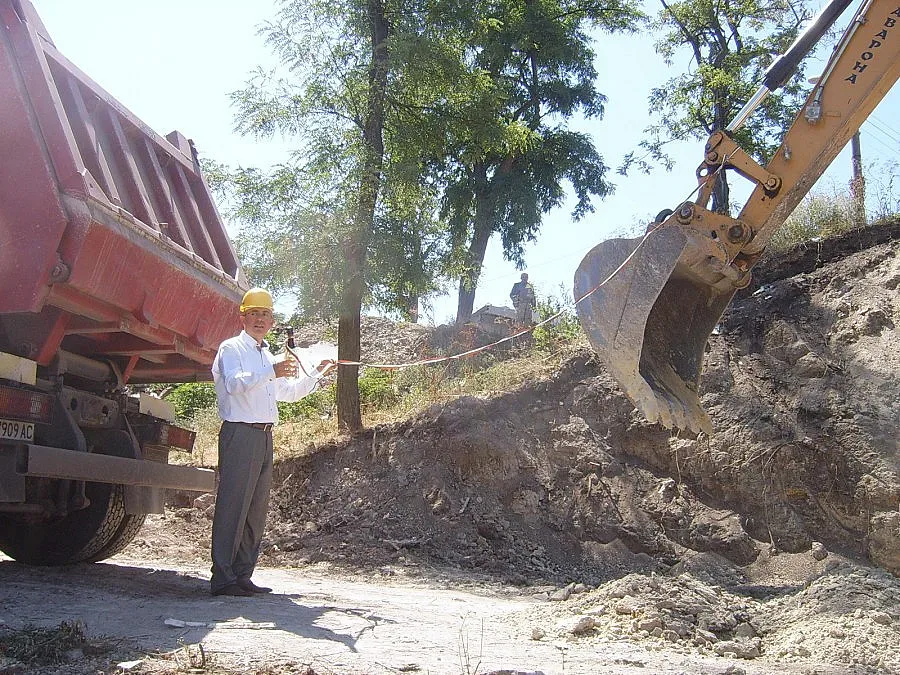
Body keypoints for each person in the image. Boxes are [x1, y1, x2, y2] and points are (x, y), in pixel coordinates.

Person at [209, 287, 334, 597]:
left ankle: (242, 575)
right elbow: (235, 384)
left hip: (265, 436)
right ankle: (222, 577)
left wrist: (315, 375)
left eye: (265, 314)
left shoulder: (265, 355)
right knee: (233, 505)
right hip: (240, 434)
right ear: (243, 317)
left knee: (255, 508)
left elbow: (287, 393)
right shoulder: (231, 349)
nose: (260, 319)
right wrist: (272, 370)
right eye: (254, 313)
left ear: (272, 320)